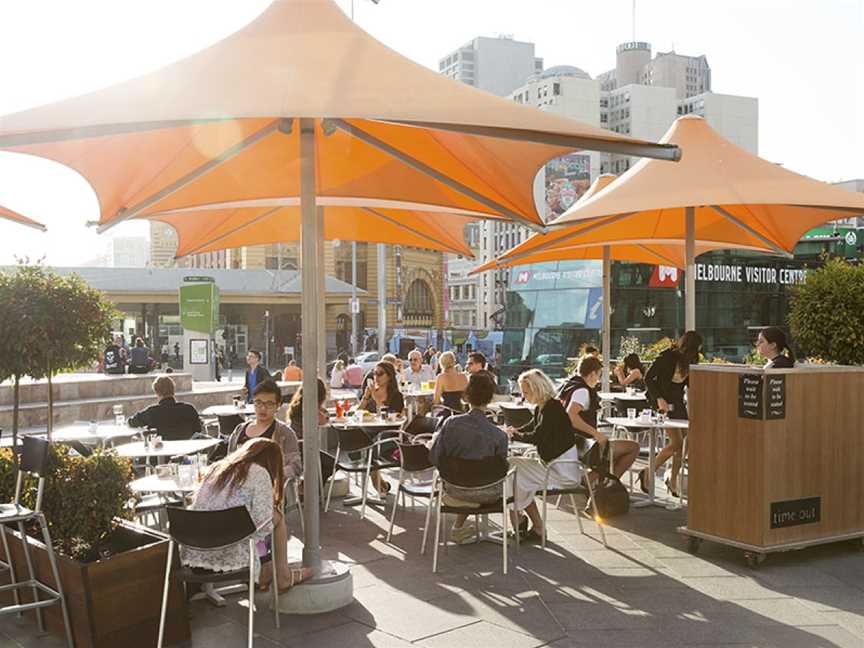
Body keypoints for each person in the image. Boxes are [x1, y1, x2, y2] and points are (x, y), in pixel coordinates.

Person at [184, 438, 312, 591]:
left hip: (195, 552)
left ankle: (271, 570)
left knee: (250, 523)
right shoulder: (259, 472)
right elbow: (262, 523)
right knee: (276, 517)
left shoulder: (216, 468)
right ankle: (282, 576)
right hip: (232, 553)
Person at [428, 371, 508, 544]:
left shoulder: (451, 424)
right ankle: (521, 525)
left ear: (466, 396)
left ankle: (460, 528)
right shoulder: (499, 436)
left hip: (454, 490)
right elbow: (500, 469)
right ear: (490, 398)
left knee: (469, 477)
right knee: (491, 477)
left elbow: (434, 457)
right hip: (489, 494)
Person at [506, 369, 585, 541]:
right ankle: (530, 525)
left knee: (512, 470)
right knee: (513, 472)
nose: (524, 396)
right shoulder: (545, 406)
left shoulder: (552, 409)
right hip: (554, 464)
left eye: (526, 392)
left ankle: (521, 522)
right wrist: (514, 431)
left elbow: (537, 437)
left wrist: (513, 435)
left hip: (562, 470)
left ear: (537, 389)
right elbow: (531, 427)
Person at [642, 330, 703, 496]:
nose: (696, 353)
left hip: (677, 402)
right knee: (676, 442)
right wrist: (659, 398)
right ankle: (649, 471)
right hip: (661, 401)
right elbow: (648, 378)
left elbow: (691, 384)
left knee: (685, 443)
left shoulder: (692, 359)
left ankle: (673, 478)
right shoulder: (667, 357)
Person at [560, 356, 640, 480]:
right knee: (633, 447)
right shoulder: (582, 391)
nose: (598, 380)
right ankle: (602, 483)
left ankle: (598, 481)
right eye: (599, 375)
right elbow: (571, 416)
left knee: (613, 450)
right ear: (593, 373)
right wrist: (596, 433)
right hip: (583, 446)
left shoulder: (569, 385)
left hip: (569, 442)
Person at [228, 380, 302, 477]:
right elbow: (229, 461)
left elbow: (296, 466)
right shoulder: (240, 430)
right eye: (258, 402)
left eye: (269, 404)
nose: (263, 408)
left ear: (278, 406)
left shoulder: (285, 433)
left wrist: (272, 475)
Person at [128, 375, 202, 441]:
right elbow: (198, 430)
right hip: (185, 452)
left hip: (160, 453)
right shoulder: (189, 409)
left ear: (156, 392)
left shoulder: (152, 412)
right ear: (173, 390)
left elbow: (132, 422)